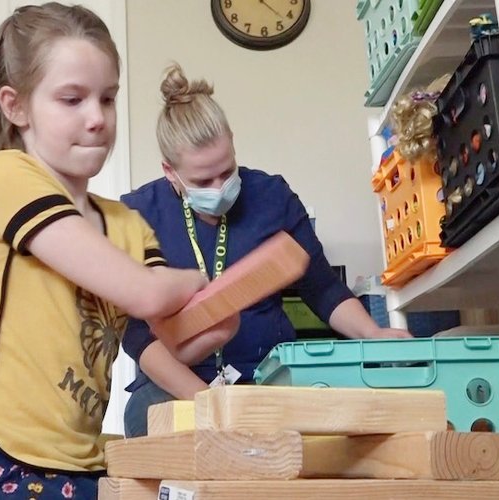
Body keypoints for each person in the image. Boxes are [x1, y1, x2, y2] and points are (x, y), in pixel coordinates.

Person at [0, 7, 210, 499]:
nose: (97, 119)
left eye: (108, 99)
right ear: (16, 107)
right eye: (72, 99)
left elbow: (173, 336)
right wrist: (197, 281)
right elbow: (148, 294)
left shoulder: (127, 224)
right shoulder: (5, 177)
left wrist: (220, 318)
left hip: (80, 461)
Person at [120, 63, 413, 438]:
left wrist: (372, 335)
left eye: (227, 171)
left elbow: (322, 289)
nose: (220, 186)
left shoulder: (272, 196)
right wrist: (209, 405)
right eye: (203, 180)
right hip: (176, 386)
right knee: (151, 419)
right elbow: (137, 336)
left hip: (268, 374)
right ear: (169, 173)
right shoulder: (137, 214)